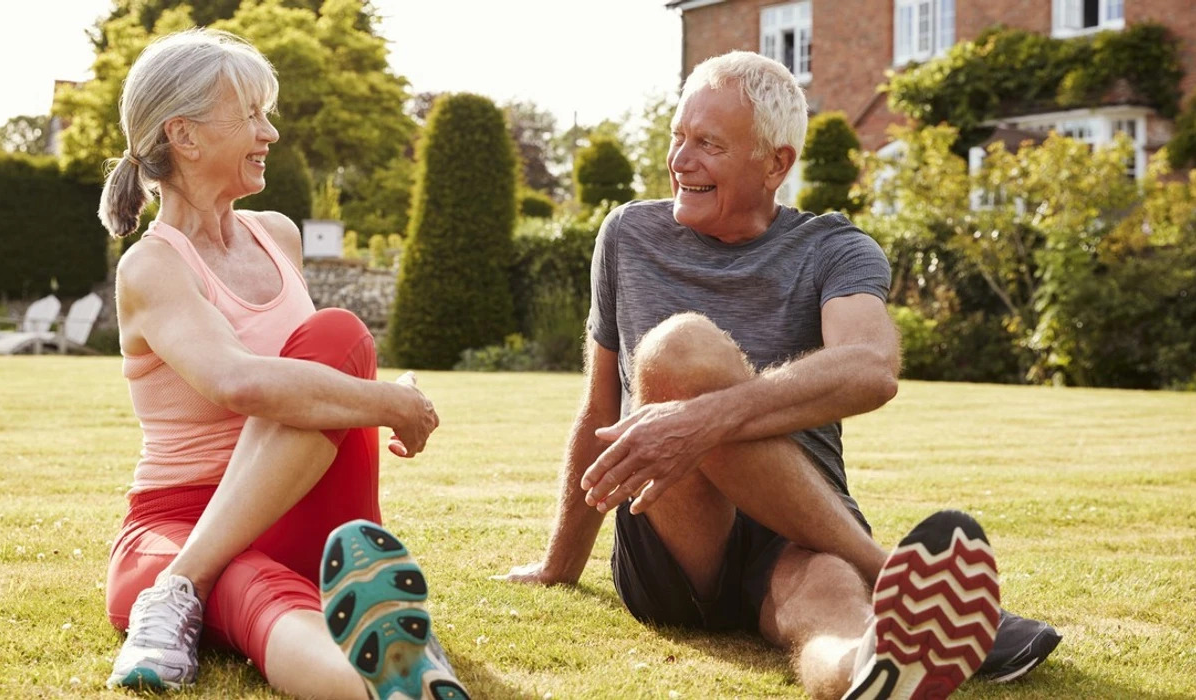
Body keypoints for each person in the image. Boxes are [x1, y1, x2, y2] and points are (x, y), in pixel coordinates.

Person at [499, 51, 1060, 699]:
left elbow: (871, 368)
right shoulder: (628, 234)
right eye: (677, 138)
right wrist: (558, 565)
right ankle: (885, 573)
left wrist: (700, 420)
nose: (680, 160)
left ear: (776, 162)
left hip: (802, 529)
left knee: (830, 614)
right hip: (673, 533)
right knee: (681, 349)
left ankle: (867, 672)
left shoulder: (833, 248)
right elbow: (599, 407)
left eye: (707, 144)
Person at [98, 29, 467, 700]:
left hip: (295, 505)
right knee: (253, 589)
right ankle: (400, 682)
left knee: (335, 334)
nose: (269, 132)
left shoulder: (278, 236)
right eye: (250, 114)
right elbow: (236, 381)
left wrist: (380, 392)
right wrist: (392, 403)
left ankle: (187, 586)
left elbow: (320, 372)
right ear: (184, 135)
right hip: (177, 522)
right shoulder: (153, 266)